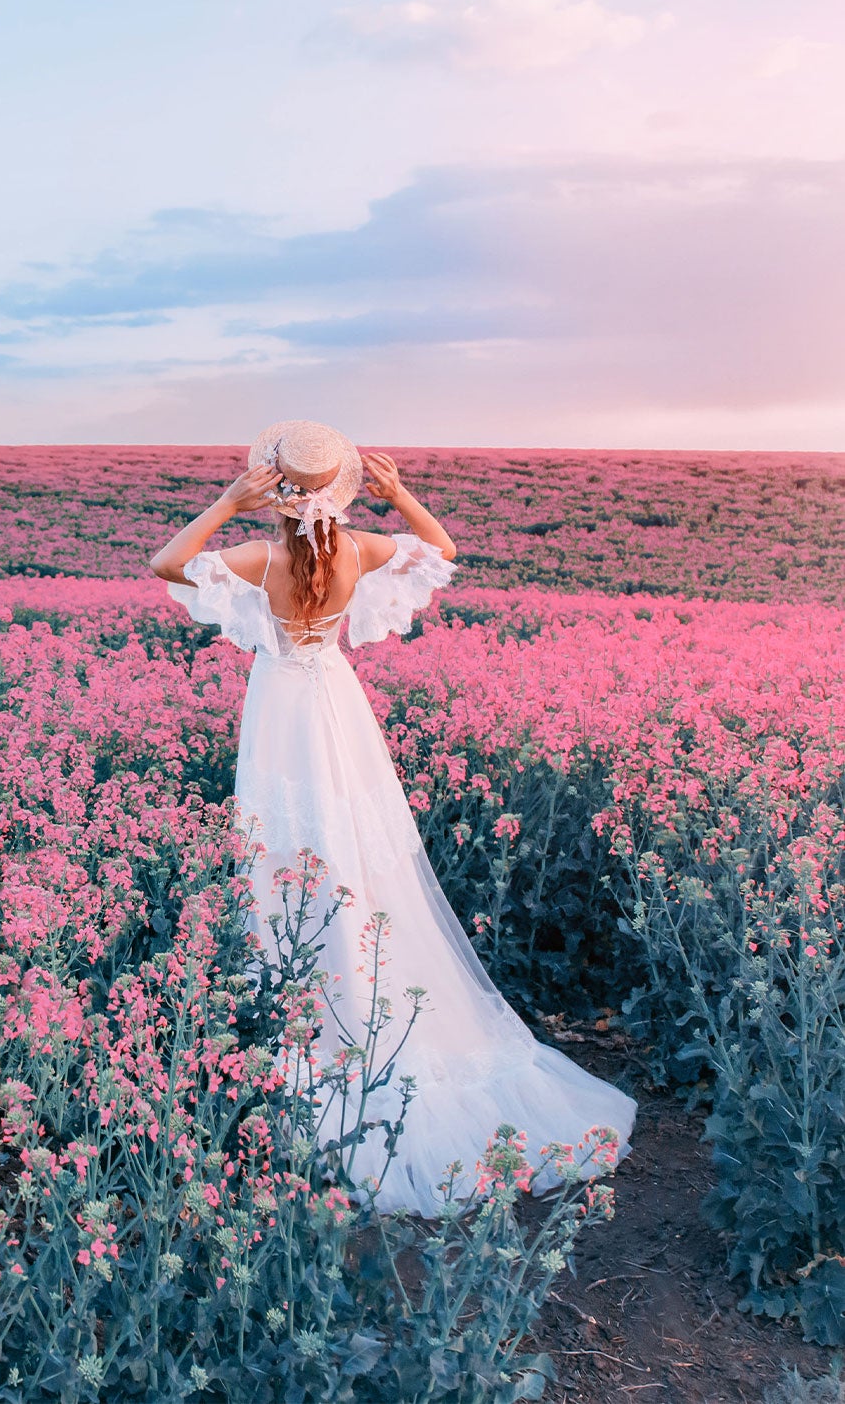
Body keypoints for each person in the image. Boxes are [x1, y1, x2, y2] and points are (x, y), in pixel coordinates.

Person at [150, 419, 636, 1215]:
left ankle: (303, 1003)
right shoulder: (360, 549)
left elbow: (167, 565)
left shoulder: (261, 556)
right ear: (342, 490)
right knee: (354, 851)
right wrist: (400, 492)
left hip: (281, 712)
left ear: (273, 489)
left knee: (287, 851)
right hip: (338, 707)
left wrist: (227, 501)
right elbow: (440, 551)